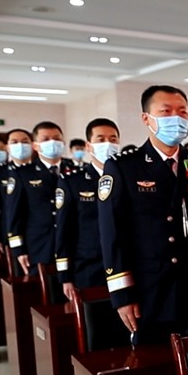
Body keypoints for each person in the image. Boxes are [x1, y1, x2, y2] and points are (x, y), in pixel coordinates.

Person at [98, 85, 188, 344]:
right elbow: (113, 234)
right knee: (156, 359)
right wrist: (122, 295)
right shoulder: (124, 167)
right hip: (152, 287)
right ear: (146, 118)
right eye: (166, 111)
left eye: (182, 112)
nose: (177, 118)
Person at [55, 118, 119, 301]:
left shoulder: (128, 177)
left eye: (113, 139)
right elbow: (64, 230)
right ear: (89, 146)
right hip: (90, 267)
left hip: (128, 265)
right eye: (101, 139)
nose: (108, 144)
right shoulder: (72, 181)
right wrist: (65, 276)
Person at [7, 122, 65, 276]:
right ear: (35, 146)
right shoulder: (23, 173)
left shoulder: (77, 170)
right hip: (40, 245)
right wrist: (19, 250)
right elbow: (14, 215)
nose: (52, 143)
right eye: (45, 139)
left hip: (75, 245)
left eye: (57, 138)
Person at [0, 129, 33, 264]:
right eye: (15, 142)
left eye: (25, 142)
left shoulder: (40, 170)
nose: (20, 145)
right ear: (7, 147)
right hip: (10, 234)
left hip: (38, 233)